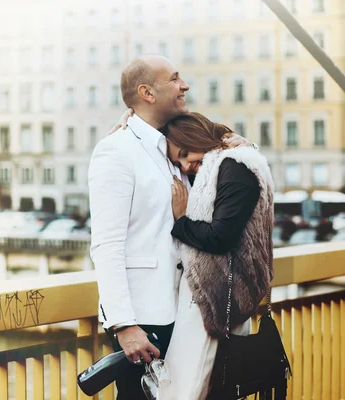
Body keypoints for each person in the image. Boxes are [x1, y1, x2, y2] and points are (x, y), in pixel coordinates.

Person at [88, 55, 248, 399]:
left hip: (190, 313)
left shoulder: (176, 145)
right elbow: (106, 244)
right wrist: (124, 325)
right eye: (175, 79)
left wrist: (238, 144)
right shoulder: (115, 151)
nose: (185, 85)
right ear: (147, 92)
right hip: (145, 318)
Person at [159, 112, 274, 399]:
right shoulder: (229, 163)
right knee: (208, 386)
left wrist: (181, 220)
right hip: (221, 294)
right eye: (178, 162)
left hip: (214, 295)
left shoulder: (235, 166)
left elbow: (220, 237)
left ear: (200, 137)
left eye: (186, 154)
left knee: (187, 385)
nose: (186, 166)